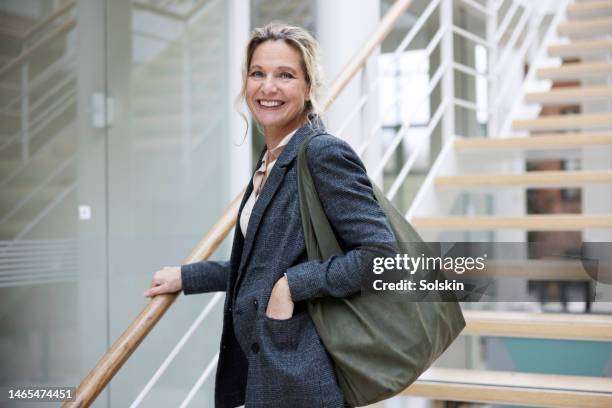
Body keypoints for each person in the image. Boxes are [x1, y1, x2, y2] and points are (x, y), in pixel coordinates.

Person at [144, 23, 397, 408]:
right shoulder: (273, 158)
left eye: (285, 75)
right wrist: (188, 276)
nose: (267, 87)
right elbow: (263, 264)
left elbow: (381, 257)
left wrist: (291, 286)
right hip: (267, 367)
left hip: (302, 371)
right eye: (257, 73)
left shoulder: (322, 154)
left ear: (309, 87)